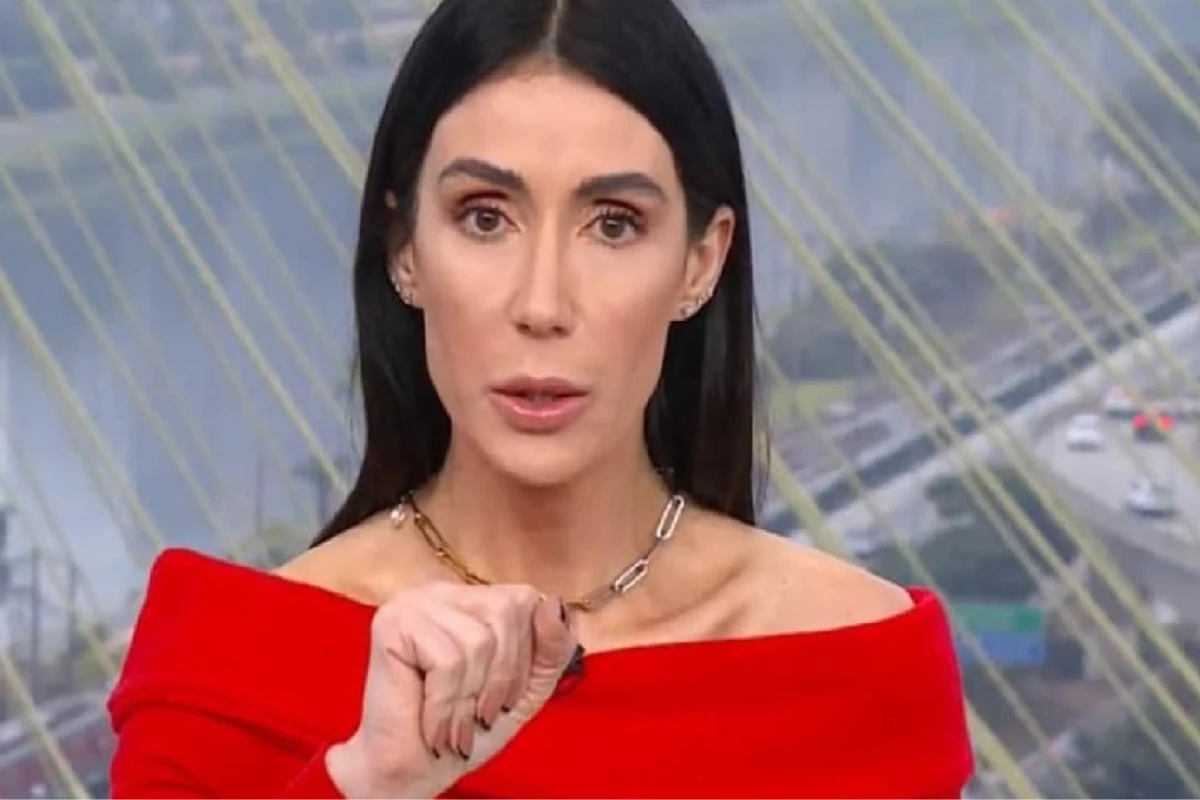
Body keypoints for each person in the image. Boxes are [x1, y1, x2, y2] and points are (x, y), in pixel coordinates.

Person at [107, 0, 974, 796]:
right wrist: (366, 783)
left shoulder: (861, 667)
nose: (543, 304)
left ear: (700, 263)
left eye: (614, 224)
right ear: (404, 249)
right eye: (485, 217)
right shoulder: (224, 675)